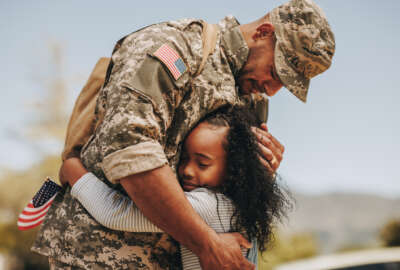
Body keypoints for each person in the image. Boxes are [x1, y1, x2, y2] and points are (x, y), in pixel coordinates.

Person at [32, 0, 335, 269]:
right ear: (263, 32)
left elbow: (231, 194)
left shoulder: (252, 98)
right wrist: (206, 244)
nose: (272, 88)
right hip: (103, 255)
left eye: (288, 82)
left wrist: (262, 170)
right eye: (277, 71)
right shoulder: (174, 48)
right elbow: (132, 153)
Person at [59, 106, 292, 270]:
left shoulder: (209, 206)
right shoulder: (241, 208)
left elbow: (115, 213)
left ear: (235, 169)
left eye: (202, 163)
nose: (187, 171)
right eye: (184, 159)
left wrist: (73, 171)